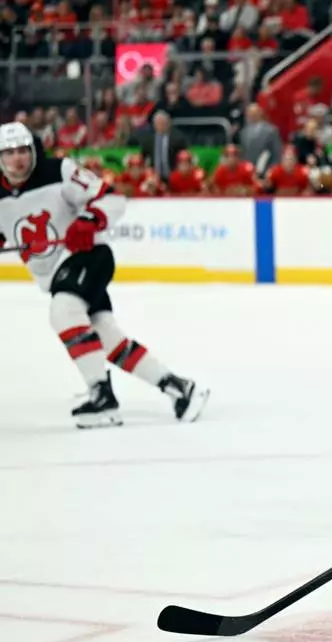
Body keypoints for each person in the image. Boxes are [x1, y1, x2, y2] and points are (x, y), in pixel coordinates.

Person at [0, 122, 208, 428]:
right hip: (56, 275)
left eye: (22, 150)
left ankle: (102, 397)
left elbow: (111, 198)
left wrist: (89, 220)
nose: (17, 158)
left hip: (88, 257)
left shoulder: (59, 171)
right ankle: (178, 388)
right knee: (107, 339)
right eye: (9, 152)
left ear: (33, 150)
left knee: (63, 312)